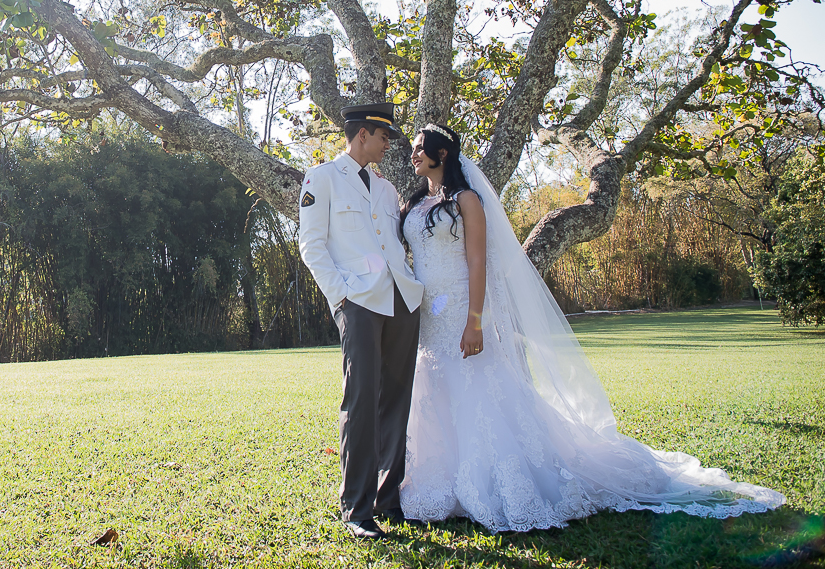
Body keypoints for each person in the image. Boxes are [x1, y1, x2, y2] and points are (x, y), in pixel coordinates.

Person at [398, 123, 785, 532]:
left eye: (422, 148)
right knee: (434, 391)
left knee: (477, 391)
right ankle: (438, 480)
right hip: (427, 317)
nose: (414, 154)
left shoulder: (467, 200)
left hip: (461, 310)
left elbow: (479, 263)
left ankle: (491, 484)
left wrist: (475, 321)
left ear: (443, 155)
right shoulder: (417, 203)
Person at [298, 103, 427, 539]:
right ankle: (356, 508)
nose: (389, 144)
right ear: (361, 136)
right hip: (360, 302)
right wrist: (342, 299)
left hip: (402, 301)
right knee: (360, 402)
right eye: (383, 136)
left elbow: (392, 243)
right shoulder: (322, 178)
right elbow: (312, 246)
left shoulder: (387, 189)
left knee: (396, 400)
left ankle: (388, 500)